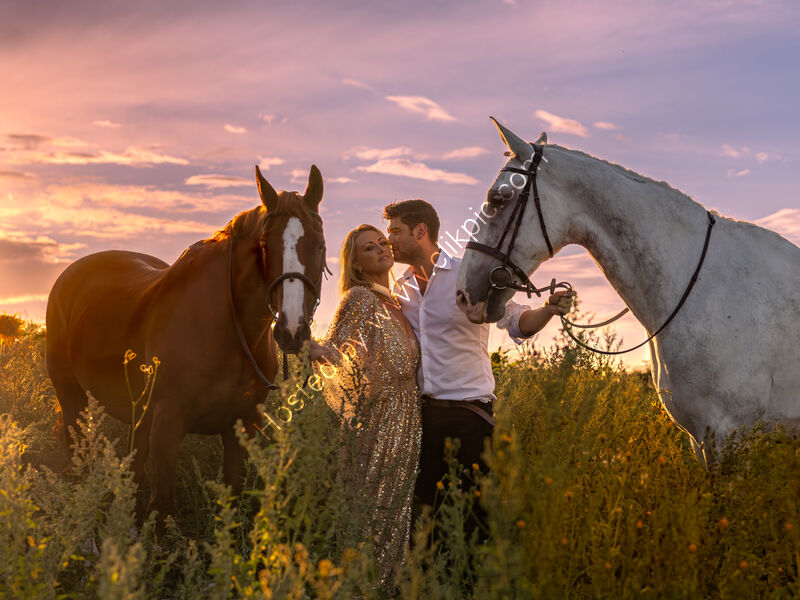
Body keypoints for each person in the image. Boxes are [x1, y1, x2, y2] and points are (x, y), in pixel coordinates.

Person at [383, 199, 574, 529]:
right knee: (427, 516)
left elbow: (517, 321)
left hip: (471, 416)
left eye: (395, 231)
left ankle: (475, 580)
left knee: (475, 516)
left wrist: (548, 310)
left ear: (420, 231)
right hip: (424, 418)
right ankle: (432, 579)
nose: (390, 240)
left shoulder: (467, 273)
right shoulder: (401, 289)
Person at [309, 224, 420, 589]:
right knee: (374, 507)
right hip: (378, 417)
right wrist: (302, 342)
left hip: (409, 415)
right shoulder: (359, 299)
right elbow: (334, 352)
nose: (381, 249)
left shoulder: (397, 301)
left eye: (383, 243)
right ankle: (365, 589)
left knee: (398, 510)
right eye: (370, 248)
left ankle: (388, 586)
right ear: (356, 265)